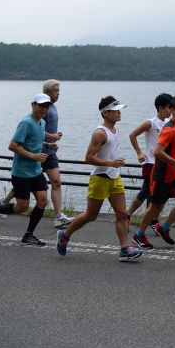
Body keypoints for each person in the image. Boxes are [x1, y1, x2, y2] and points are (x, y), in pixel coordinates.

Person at [56, 96, 142, 262]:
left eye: (119, 109)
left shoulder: (115, 130)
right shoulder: (100, 133)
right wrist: (111, 162)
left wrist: (115, 163)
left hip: (114, 177)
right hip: (100, 178)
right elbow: (88, 158)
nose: (119, 113)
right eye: (115, 110)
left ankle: (124, 249)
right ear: (105, 113)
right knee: (91, 215)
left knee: (122, 214)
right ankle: (65, 235)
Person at [0, 93, 54, 245]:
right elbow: (13, 146)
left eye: (46, 106)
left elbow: (34, 140)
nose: (44, 109)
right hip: (21, 173)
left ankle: (28, 235)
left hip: (36, 171)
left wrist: (48, 145)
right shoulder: (26, 122)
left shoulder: (42, 123)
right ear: (33, 105)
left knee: (42, 201)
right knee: (22, 207)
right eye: (41, 106)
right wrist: (33, 156)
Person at [2, 80, 71, 227]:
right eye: (55, 91)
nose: (58, 93)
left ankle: (58, 215)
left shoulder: (53, 107)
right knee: (26, 183)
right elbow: (35, 127)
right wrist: (51, 137)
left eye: (59, 91)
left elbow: (40, 127)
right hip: (35, 152)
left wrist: (50, 144)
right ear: (46, 93)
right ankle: (4, 203)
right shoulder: (40, 112)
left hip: (48, 152)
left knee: (56, 181)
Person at [132, 96, 175, 250]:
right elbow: (158, 152)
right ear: (172, 110)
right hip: (162, 174)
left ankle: (163, 228)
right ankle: (138, 235)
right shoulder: (169, 129)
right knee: (154, 208)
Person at [126, 93, 174, 228]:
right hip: (150, 163)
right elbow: (132, 135)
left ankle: (152, 219)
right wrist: (139, 152)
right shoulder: (150, 123)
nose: (171, 110)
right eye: (169, 107)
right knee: (146, 191)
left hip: (162, 164)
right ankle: (128, 215)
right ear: (160, 108)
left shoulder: (169, 124)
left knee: (157, 193)